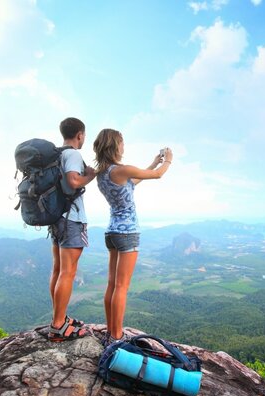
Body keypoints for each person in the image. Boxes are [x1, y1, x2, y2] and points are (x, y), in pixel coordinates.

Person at [93, 128, 172, 345]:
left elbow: (133, 183)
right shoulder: (122, 169)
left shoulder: (103, 173)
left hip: (111, 232)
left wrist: (154, 162)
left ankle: (111, 331)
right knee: (121, 287)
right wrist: (168, 161)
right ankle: (116, 336)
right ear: (114, 145)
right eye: (122, 142)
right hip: (127, 233)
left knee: (111, 284)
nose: (124, 146)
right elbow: (157, 176)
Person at [48, 117, 97, 342]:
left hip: (57, 218)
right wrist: (90, 176)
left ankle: (60, 317)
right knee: (68, 272)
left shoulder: (56, 154)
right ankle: (58, 325)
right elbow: (74, 181)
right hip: (71, 219)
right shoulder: (73, 154)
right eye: (84, 136)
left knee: (58, 270)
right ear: (80, 135)